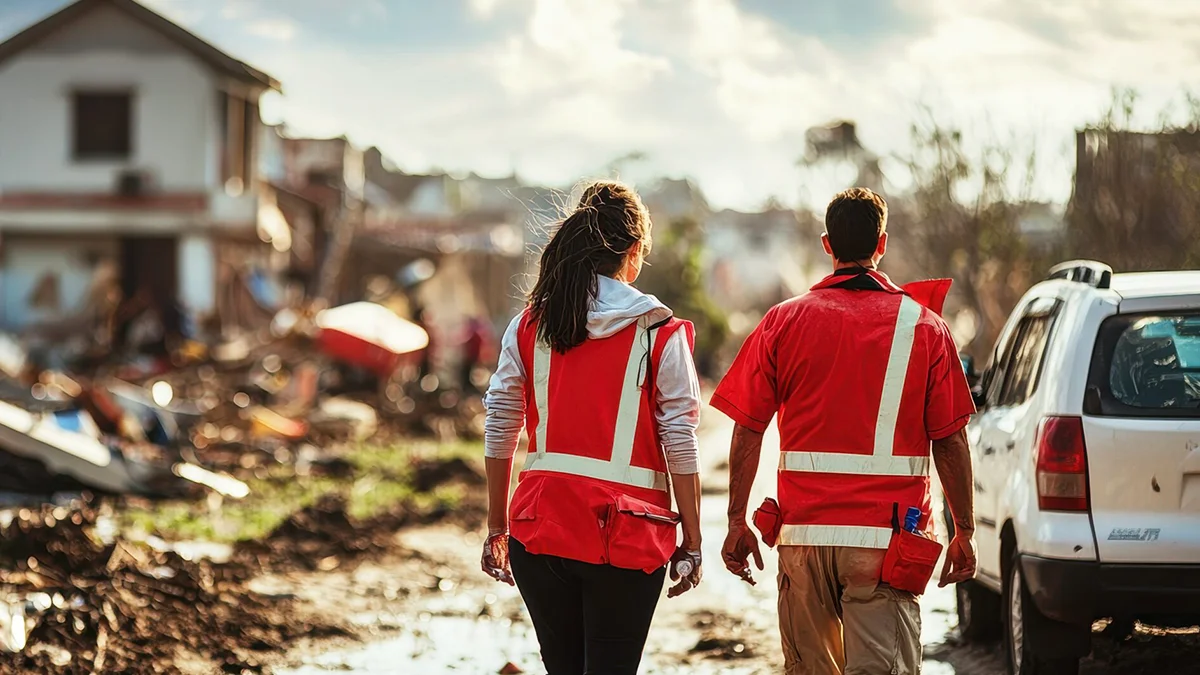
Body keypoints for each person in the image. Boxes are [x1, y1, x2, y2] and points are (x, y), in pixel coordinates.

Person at [712, 188, 978, 674]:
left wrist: (735, 522)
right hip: (885, 543)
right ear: (882, 242)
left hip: (803, 539)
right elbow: (951, 439)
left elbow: (748, 429)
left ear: (826, 244)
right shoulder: (925, 327)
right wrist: (965, 530)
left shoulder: (782, 322)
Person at [481, 180, 704, 675]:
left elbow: (500, 425)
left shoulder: (529, 326)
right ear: (635, 249)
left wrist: (497, 527)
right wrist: (692, 539)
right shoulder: (660, 334)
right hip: (624, 538)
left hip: (540, 533)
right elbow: (680, 441)